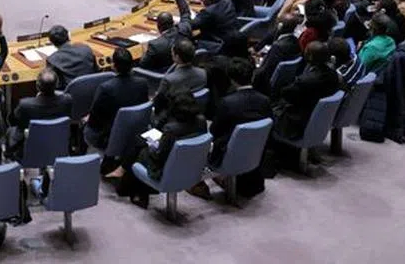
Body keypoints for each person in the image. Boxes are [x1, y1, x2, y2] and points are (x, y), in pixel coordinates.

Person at [123, 91, 208, 208]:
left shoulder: (171, 129)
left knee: (141, 149)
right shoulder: (202, 121)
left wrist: (152, 146)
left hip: (168, 169)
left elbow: (159, 156)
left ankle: (139, 193)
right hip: (193, 165)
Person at [206, 58, 273, 199]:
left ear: (231, 79)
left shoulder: (227, 103)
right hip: (257, 151)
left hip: (228, 153)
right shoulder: (265, 100)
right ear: (252, 76)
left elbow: (214, 132)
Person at [85, 48, 150, 153]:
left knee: (85, 125)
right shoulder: (143, 83)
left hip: (108, 136)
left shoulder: (105, 88)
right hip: (134, 130)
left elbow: (94, 120)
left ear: (113, 66)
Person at [272, 41, 341, 140]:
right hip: (317, 121)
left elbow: (285, 93)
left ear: (310, 57)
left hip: (295, 124)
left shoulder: (305, 81)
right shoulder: (334, 75)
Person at [6, 67, 73, 159]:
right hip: (58, 140)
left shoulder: (25, 105)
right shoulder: (67, 100)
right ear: (57, 85)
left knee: (10, 130)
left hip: (32, 144)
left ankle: (9, 157)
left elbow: (14, 121)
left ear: (37, 86)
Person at [253, 12, 304, 95]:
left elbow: (265, 71)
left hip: (265, 86)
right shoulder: (295, 41)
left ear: (280, 26)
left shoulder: (278, 47)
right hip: (283, 82)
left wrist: (253, 63)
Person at [152, 38, 208, 112]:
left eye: (172, 52)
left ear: (177, 57)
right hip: (196, 110)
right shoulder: (203, 73)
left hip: (174, 112)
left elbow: (158, 101)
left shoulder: (169, 80)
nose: (171, 54)